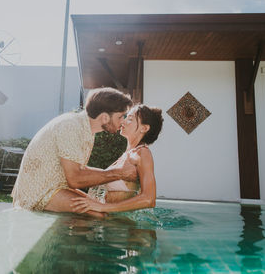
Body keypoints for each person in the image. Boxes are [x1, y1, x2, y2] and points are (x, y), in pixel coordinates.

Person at [11, 87, 135, 217]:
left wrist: (113, 174)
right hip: (38, 193)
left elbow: (79, 169)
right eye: (121, 116)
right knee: (97, 215)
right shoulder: (71, 126)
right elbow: (75, 179)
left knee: (101, 209)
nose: (123, 121)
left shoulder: (85, 129)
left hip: (53, 187)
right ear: (104, 117)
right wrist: (118, 174)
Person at [70, 104, 163, 214]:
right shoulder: (127, 154)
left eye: (130, 119)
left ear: (144, 128)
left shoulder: (142, 153)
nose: (123, 122)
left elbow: (149, 199)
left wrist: (102, 207)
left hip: (115, 226)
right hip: (101, 222)